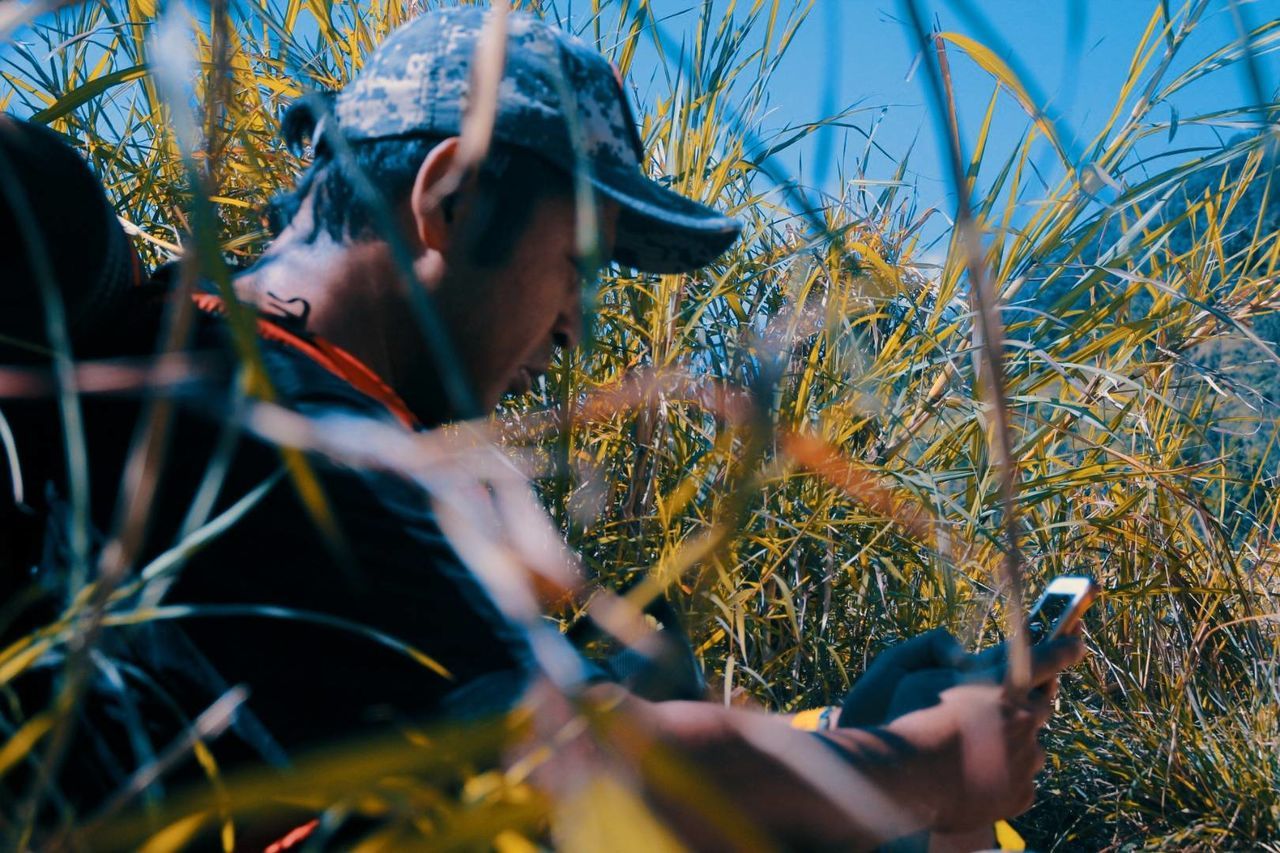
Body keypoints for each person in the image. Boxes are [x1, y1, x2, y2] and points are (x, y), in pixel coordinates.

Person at [0, 7, 1084, 850]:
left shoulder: (197, 351)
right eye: (577, 263)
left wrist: (855, 723)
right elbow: (588, 782)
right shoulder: (294, 432)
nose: (574, 326)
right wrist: (922, 767)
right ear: (450, 195)